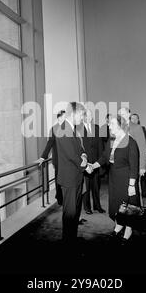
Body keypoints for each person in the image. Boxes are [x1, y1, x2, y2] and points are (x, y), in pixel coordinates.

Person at [90, 115, 139, 244]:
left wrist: (132, 185)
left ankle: (128, 230)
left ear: (120, 125)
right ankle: (119, 225)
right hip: (114, 177)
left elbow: (134, 166)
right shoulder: (112, 140)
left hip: (126, 177)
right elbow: (104, 157)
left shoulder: (131, 142)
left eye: (111, 124)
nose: (109, 126)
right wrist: (93, 165)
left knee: (128, 206)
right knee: (116, 204)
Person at [56, 102, 89, 244]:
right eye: (81, 115)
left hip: (76, 177)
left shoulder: (72, 129)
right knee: (69, 214)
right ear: (74, 114)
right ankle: (68, 242)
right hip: (69, 179)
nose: (82, 118)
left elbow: (80, 149)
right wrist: (85, 165)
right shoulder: (63, 129)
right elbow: (71, 155)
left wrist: (84, 156)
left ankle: (72, 238)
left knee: (75, 212)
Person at [36, 110, 65, 205]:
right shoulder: (54, 129)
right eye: (64, 116)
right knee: (59, 180)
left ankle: (63, 196)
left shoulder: (69, 128)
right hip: (58, 160)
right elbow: (49, 144)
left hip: (67, 160)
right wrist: (43, 157)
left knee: (65, 180)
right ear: (59, 118)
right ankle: (60, 199)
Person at [81, 109, 105, 214]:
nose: (90, 117)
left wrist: (100, 161)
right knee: (86, 186)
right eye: (88, 115)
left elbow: (100, 145)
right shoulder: (79, 129)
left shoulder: (96, 127)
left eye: (91, 115)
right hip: (85, 162)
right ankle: (87, 207)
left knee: (96, 186)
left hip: (95, 162)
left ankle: (97, 206)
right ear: (84, 116)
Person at [118, 108, 146, 189]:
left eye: (123, 114)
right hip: (121, 165)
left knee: (134, 189)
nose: (121, 117)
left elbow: (142, 148)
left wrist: (142, 167)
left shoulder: (137, 127)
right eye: (119, 115)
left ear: (128, 115)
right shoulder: (118, 128)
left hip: (133, 164)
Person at [130, 113, 146, 197]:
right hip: (131, 157)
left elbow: (144, 143)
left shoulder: (141, 128)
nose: (134, 120)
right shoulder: (126, 128)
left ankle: (143, 192)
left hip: (140, 156)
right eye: (132, 119)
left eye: (136, 119)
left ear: (138, 120)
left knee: (141, 178)